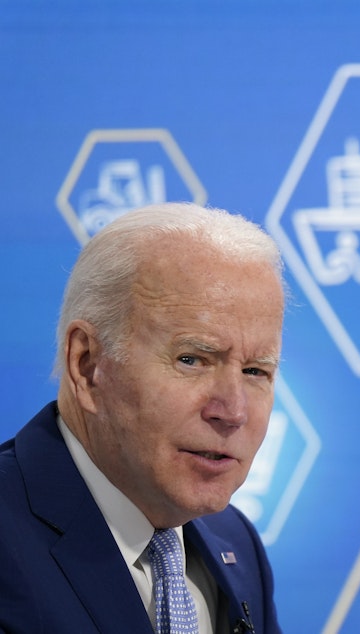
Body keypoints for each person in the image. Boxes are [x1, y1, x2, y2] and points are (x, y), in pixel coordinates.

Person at [0, 202, 286, 633]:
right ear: (88, 365)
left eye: (255, 371)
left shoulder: (234, 540)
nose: (233, 411)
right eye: (192, 360)